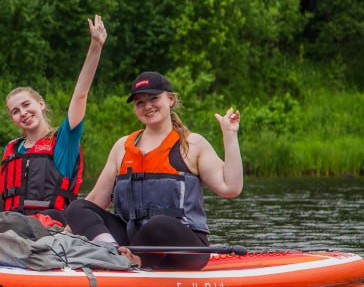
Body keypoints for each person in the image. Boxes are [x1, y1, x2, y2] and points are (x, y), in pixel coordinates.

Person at [65, 71, 242, 270]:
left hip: (183, 247)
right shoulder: (122, 146)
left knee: (159, 224)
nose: (147, 106)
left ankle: (136, 261)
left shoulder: (192, 144)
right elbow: (96, 200)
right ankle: (113, 253)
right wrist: (66, 231)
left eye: (153, 98)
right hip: (131, 242)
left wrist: (230, 135)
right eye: (140, 102)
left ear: (170, 99)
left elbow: (230, 188)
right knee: (76, 208)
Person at [0, 15, 107, 223]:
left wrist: (95, 46)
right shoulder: (12, 149)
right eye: (15, 111)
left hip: (51, 224)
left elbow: (80, 95)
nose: (23, 112)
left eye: (26, 104)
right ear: (13, 119)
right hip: (12, 223)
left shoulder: (63, 142)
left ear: (41, 104)